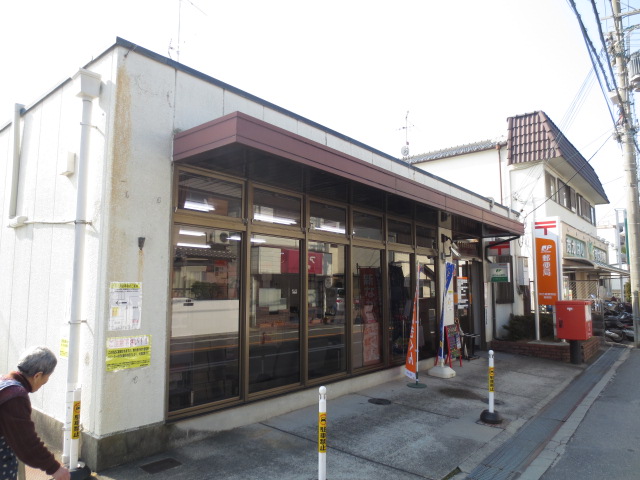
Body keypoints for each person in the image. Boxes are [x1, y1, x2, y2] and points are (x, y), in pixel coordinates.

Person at [0, 346, 70, 480]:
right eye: (46, 379)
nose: (44, 383)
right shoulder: (15, 397)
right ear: (37, 375)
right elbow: (26, 443)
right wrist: (54, 468)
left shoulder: (4, 381)